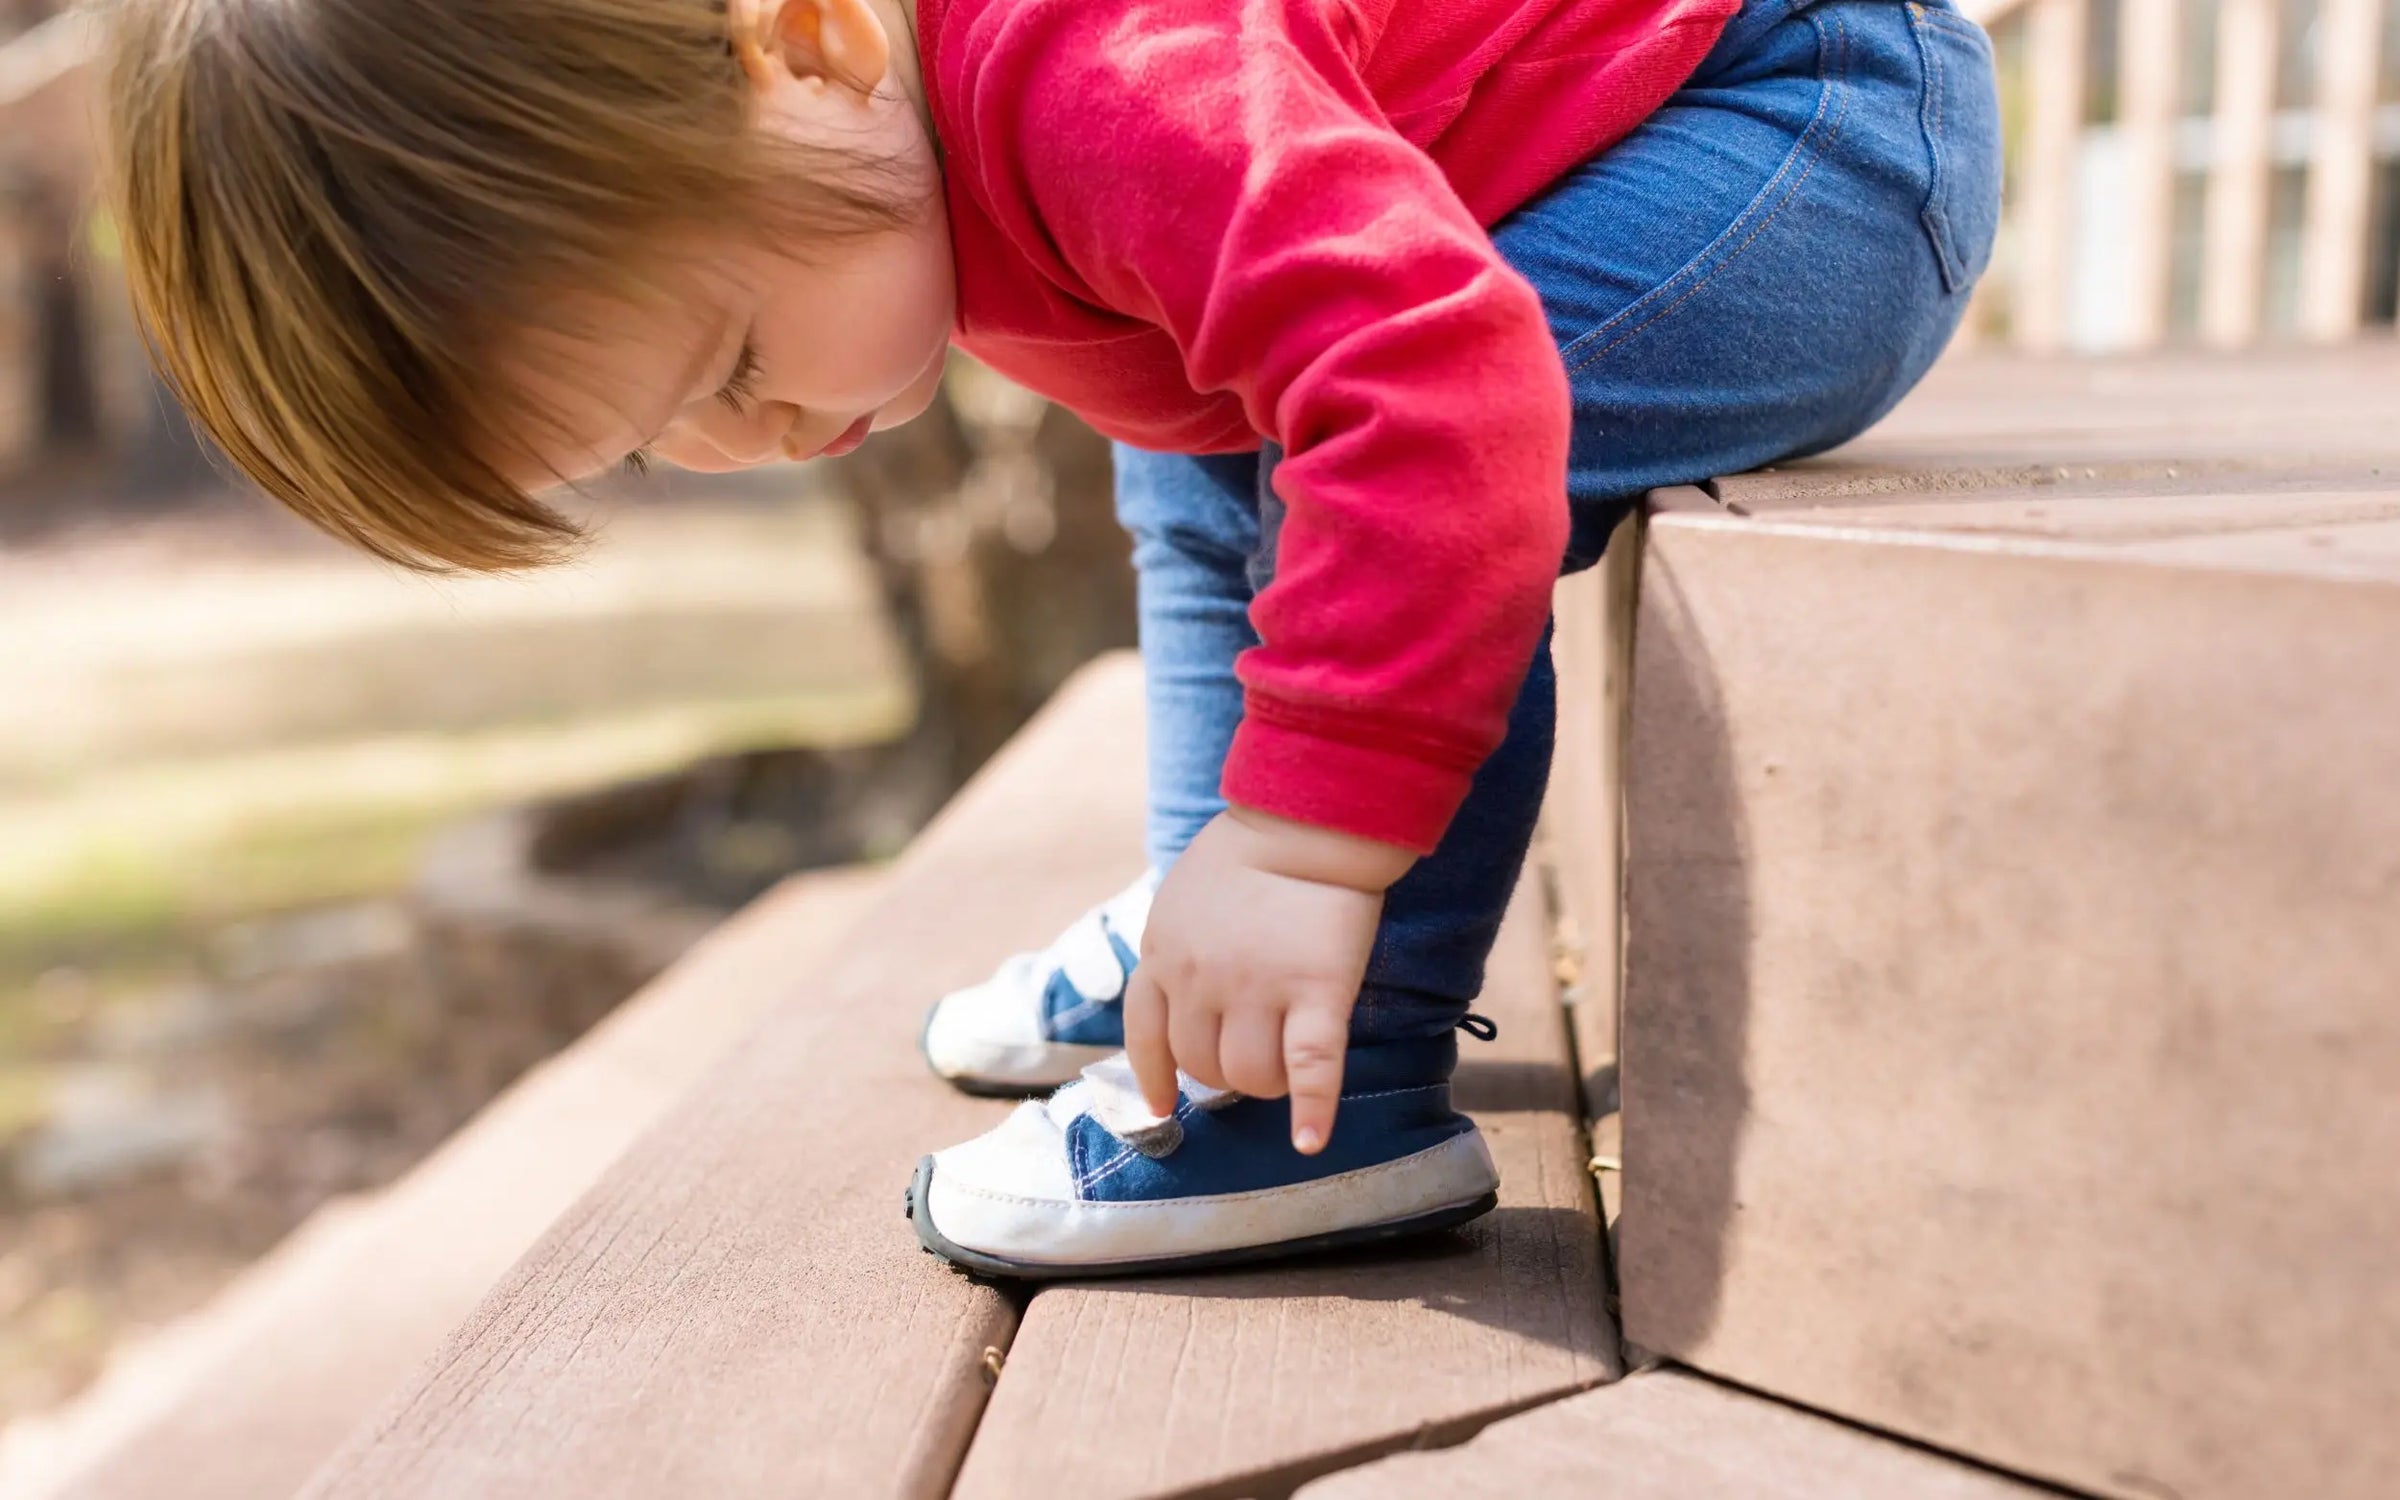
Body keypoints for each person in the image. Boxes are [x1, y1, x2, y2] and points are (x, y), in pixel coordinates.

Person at [103, 0, 2000, 1277]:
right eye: (653, 449)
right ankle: (1210, 949)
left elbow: (1430, 372)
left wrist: (1306, 844)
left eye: (735, 364)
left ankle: (1311, 1088)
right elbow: (1217, 496)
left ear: (811, 45)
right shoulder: (897, 132)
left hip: (1812, 137)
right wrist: (1219, 869)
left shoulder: (1101, 70)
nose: (745, 444)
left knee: (1425, 427)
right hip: (1646, 148)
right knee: (1208, 450)